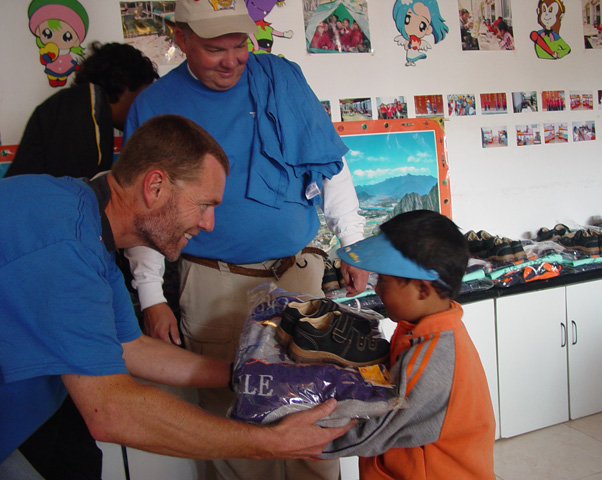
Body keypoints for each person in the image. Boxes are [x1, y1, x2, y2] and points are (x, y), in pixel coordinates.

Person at [0, 114, 353, 479]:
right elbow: (112, 412)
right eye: (204, 205)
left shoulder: (87, 221)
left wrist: (255, 375)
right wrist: (270, 443)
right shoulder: (64, 242)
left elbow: (130, 347)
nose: (209, 224)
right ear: (155, 186)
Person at [122, 1, 368, 479]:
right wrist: (151, 296)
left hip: (299, 274)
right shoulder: (155, 106)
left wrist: (352, 242)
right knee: (229, 407)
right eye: (216, 49)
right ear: (182, 37)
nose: (232, 60)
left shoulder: (281, 78)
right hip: (214, 282)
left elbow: (329, 165)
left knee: (312, 396)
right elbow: (143, 211)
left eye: (240, 45)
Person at [5, 40, 158, 480]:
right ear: (123, 87)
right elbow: (82, 217)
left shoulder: (67, 105)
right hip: (41, 270)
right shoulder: (84, 118)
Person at [319, 210, 496, 479]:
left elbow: (372, 432)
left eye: (384, 280)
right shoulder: (424, 328)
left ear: (423, 290)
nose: (376, 289)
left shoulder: (432, 357)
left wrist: (292, 435)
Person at [6, 41, 158, 179]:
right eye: (142, 96)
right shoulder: (87, 106)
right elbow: (82, 189)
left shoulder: (81, 105)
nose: (144, 108)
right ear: (124, 85)